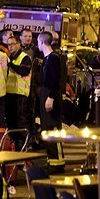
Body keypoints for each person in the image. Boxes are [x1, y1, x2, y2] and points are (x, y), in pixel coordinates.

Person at [37, 31, 65, 173]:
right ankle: (51, 160)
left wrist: (51, 97)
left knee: (53, 128)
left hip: (50, 95)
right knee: (46, 128)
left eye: (38, 42)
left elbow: (55, 79)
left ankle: (58, 162)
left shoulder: (53, 59)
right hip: (46, 94)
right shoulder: (47, 59)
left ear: (42, 42)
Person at [5, 35, 32, 149]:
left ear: (18, 44)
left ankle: (25, 145)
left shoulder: (25, 58)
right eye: (8, 45)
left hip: (21, 95)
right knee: (11, 122)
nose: (10, 47)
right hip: (10, 94)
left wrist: (10, 65)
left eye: (12, 44)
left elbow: (24, 71)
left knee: (21, 121)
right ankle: (15, 145)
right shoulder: (11, 58)